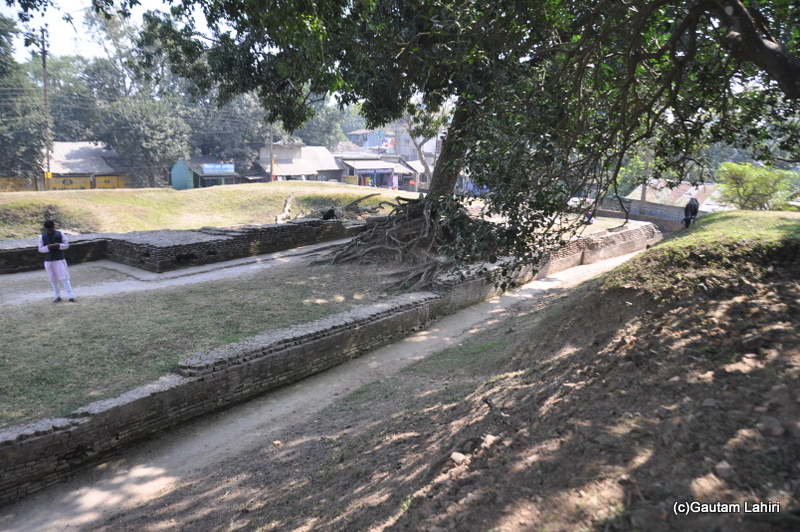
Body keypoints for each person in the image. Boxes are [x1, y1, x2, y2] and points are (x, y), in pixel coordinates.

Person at [37, 220, 76, 302]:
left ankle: (70, 296)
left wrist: (59, 245)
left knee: (64, 278)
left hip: (59, 259)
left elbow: (66, 245)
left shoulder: (60, 234)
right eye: (48, 230)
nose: (49, 231)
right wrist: (47, 248)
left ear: (53, 227)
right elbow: (40, 249)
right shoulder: (42, 237)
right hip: (49, 260)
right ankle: (58, 296)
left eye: (51, 229)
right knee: (53, 279)